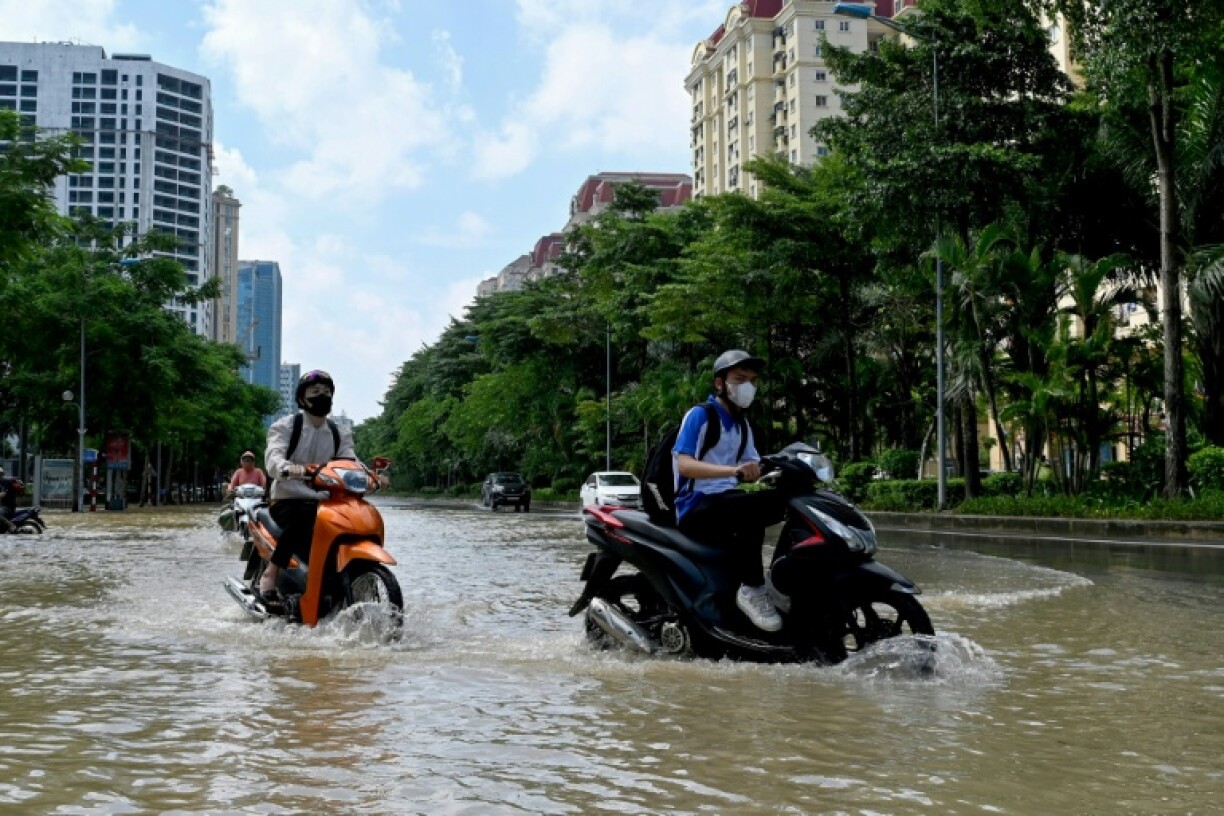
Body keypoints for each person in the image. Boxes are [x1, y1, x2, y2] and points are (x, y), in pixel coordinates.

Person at [673, 350, 788, 632]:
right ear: (720, 383)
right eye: (739, 379)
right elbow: (685, 465)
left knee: (784, 503)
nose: (747, 386)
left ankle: (781, 584)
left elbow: (754, 463)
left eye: (752, 380)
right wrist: (732, 471)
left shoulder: (742, 425)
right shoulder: (700, 415)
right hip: (695, 504)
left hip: (725, 501)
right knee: (750, 508)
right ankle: (751, 588)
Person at [258, 370, 356, 599]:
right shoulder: (286, 427)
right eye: (315, 392)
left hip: (326, 501)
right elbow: (273, 456)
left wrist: (371, 475)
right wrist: (286, 467)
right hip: (288, 499)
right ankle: (270, 574)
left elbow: (350, 460)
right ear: (302, 399)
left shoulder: (338, 432)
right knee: (303, 517)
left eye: (327, 392)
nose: (323, 396)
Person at [0, 467, 17, 533]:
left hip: (8, 506)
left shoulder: (7, 482)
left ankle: (11, 525)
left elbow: (3, 494)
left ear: (1, 474)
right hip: (2, 506)